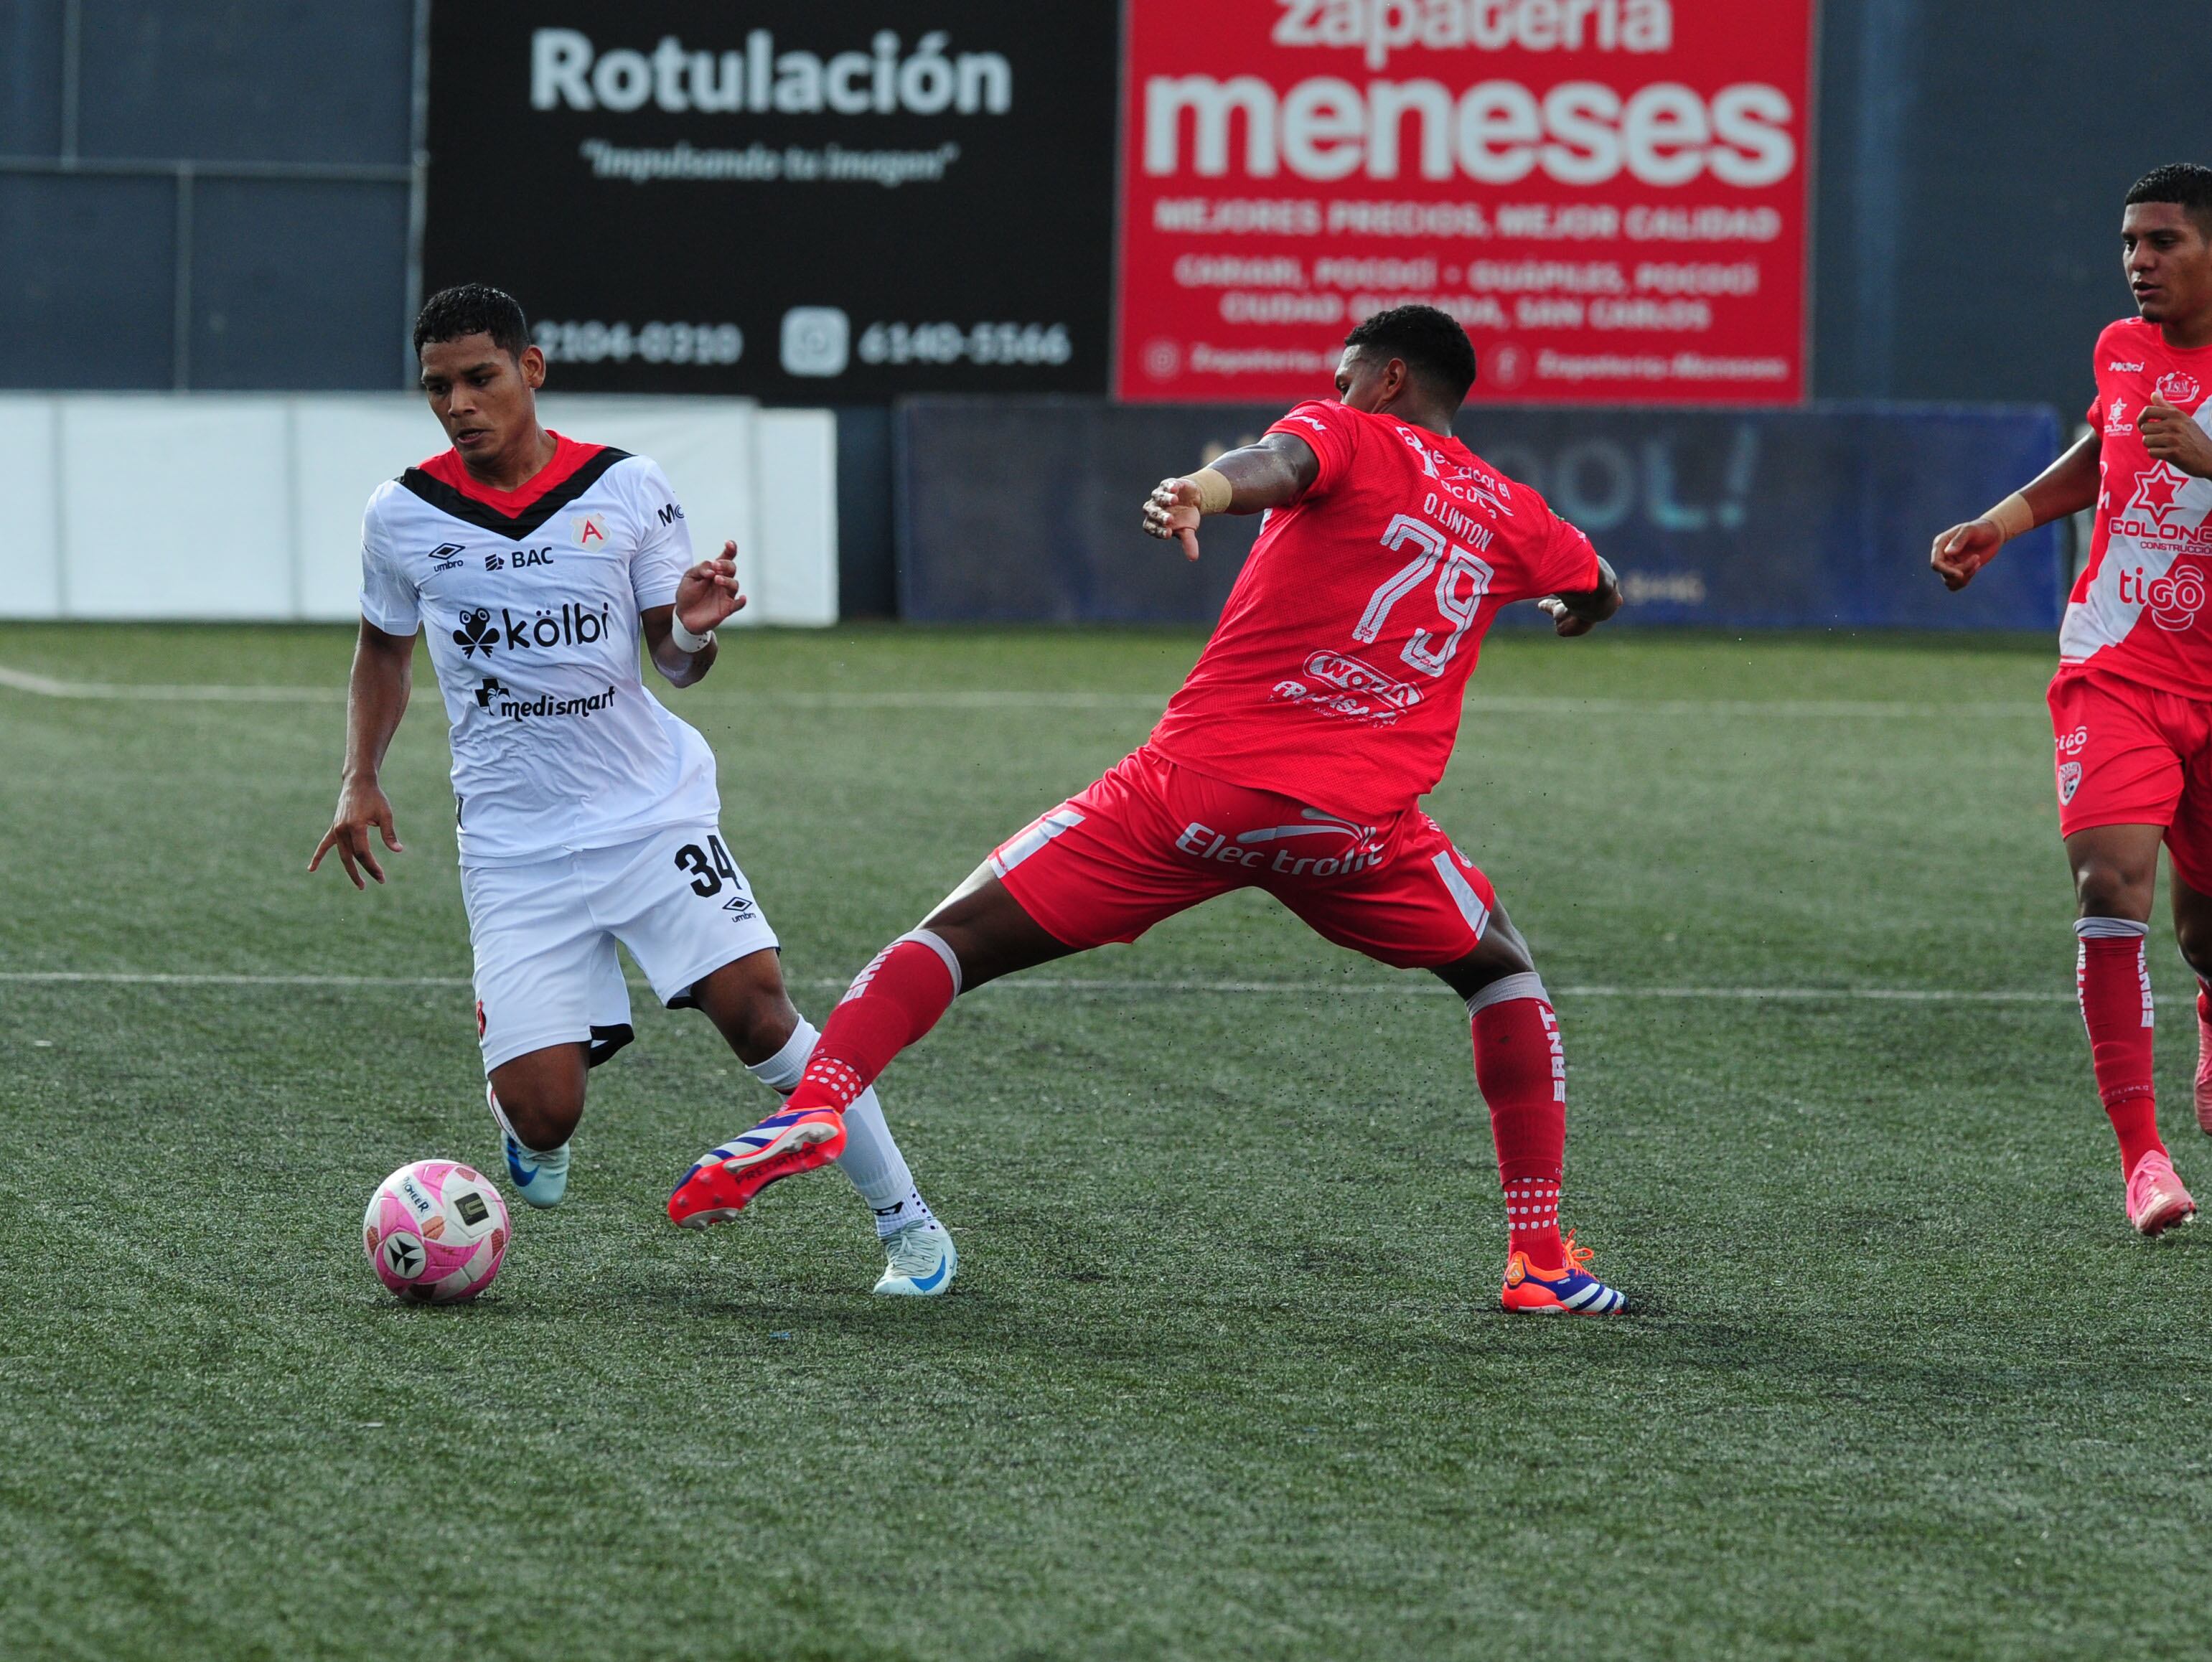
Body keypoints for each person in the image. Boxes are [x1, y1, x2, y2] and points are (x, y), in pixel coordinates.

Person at [668, 304, 1629, 1315]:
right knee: (1499, 968)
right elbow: (1599, 581)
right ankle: (1538, 1260)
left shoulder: (1348, 427)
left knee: (954, 939)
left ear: (1387, 379)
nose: (1334, 386)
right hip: (1353, 830)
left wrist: (1200, 492)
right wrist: (1573, 608)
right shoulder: (1512, 512)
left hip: (1196, 792)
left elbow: (1280, 462)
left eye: (1345, 373)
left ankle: (821, 1104)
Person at [309, 283, 956, 1295]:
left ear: (531, 369)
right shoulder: (402, 515)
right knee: (544, 1110)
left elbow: (678, 665)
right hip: (515, 846)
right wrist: (359, 777)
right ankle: (534, 1122)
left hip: (648, 814)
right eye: (438, 388)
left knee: (757, 1008)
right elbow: (382, 653)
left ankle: (907, 1225)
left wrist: (691, 625)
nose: (459, 404)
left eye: (480, 378)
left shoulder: (626, 487)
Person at [1933, 163, 2212, 1236]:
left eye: (2163, 243)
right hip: (2118, 663)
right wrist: (2000, 523)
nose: (2138, 262)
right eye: (2129, 244)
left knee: (2203, 934)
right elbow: (2107, 450)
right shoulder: (2119, 346)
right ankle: (2142, 1158)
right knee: (2108, 884)